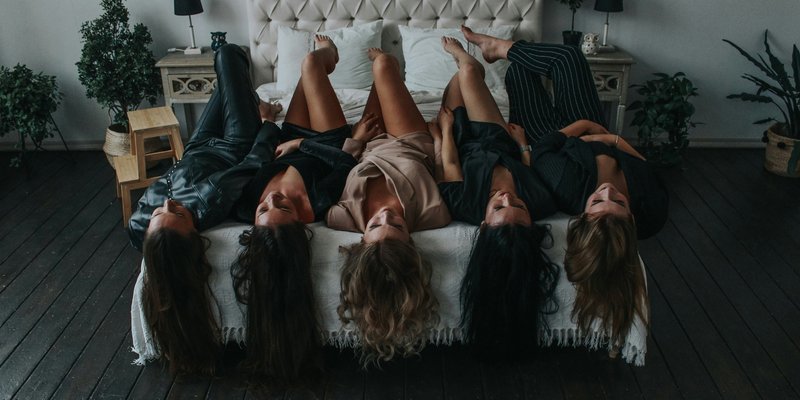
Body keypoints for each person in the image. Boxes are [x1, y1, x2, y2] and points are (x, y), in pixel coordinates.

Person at [462, 27, 667, 346]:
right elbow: (645, 163)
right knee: (569, 56)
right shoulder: (652, 210)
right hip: (597, 133)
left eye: (597, 201)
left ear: (582, 214)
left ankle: (500, 50)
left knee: (519, 72)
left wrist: (587, 129)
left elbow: (545, 148)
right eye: (619, 202)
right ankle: (497, 47)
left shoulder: (569, 188)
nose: (608, 192)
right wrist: (613, 138)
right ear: (632, 216)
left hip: (554, 137)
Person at [229, 35, 381, 382]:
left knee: (303, 73)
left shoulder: (243, 205)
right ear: (299, 222)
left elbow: (253, 158)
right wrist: (304, 144)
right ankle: (331, 53)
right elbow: (343, 162)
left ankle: (303, 81)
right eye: (282, 206)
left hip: (288, 135)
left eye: (264, 207)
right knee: (312, 63)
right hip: (323, 140)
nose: (271, 199)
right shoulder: (317, 205)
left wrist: (270, 126)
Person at [127, 44, 283, 376]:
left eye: (157, 214)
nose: (167, 204)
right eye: (179, 214)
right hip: (235, 144)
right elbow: (254, 163)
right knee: (228, 54)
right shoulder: (213, 198)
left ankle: (251, 100)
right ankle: (260, 108)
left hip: (196, 147)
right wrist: (269, 124)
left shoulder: (138, 229)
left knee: (228, 81)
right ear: (196, 233)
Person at [432, 37, 559, 361]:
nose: (506, 197)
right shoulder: (541, 201)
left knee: (458, 79)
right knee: (469, 71)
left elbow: (449, 163)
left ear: (485, 224)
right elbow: (527, 169)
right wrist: (523, 144)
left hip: (461, 139)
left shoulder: (465, 206)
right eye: (517, 205)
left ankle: (464, 62)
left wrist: (444, 130)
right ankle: (465, 54)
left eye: (499, 207)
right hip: (495, 136)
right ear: (530, 218)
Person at [326, 48, 451, 366]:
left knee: (376, 84)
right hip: (408, 141)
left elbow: (334, 170)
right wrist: (440, 138)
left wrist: (355, 140)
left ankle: (385, 71)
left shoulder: (341, 217)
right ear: (410, 239)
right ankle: (388, 60)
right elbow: (444, 173)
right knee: (383, 65)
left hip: (368, 144)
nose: (385, 216)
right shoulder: (432, 214)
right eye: (396, 225)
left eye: (374, 225)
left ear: (361, 240)